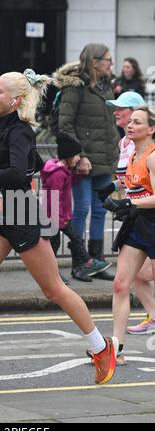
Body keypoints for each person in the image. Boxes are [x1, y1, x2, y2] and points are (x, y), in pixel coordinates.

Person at [0, 69, 118, 385]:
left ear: (16, 99)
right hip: (0, 218)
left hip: (23, 218)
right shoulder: (6, 127)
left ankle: (100, 346)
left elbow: (17, 176)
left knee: (53, 289)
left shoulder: (20, 131)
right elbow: (30, 166)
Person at [52, 43, 120, 281]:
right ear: (95, 62)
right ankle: (79, 262)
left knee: (100, 210)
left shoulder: (106, 87)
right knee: (81, 209)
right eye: (108, 60)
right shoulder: (75, 88)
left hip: (105, 158)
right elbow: (66, 126)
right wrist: (78, 156)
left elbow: (110, 122)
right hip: (84, 161)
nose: (112, 64)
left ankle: (96, 262)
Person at [98, 92, 155, 341]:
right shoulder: (131, 152)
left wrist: (130, 201)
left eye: (137, 122)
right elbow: (128, 181)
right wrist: (113, 190)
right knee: (121, 284)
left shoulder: (152, 157)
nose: (130, 125)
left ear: (151, 129)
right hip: (137, 222)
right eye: (130, 122)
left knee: (144, 277)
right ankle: (116, 348)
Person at [41, 132, 111, 282]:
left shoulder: (63, 172)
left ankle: (88, 262)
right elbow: (54, 199)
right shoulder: (57, 174)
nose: (79, 158)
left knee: (76, 239)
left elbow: (68, 185)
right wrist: (58, 221)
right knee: (54, 246)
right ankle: (52, 275)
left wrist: (77, 176)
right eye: (77, 155)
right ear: (68, 156)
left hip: (62, 218)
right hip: (54, 219)